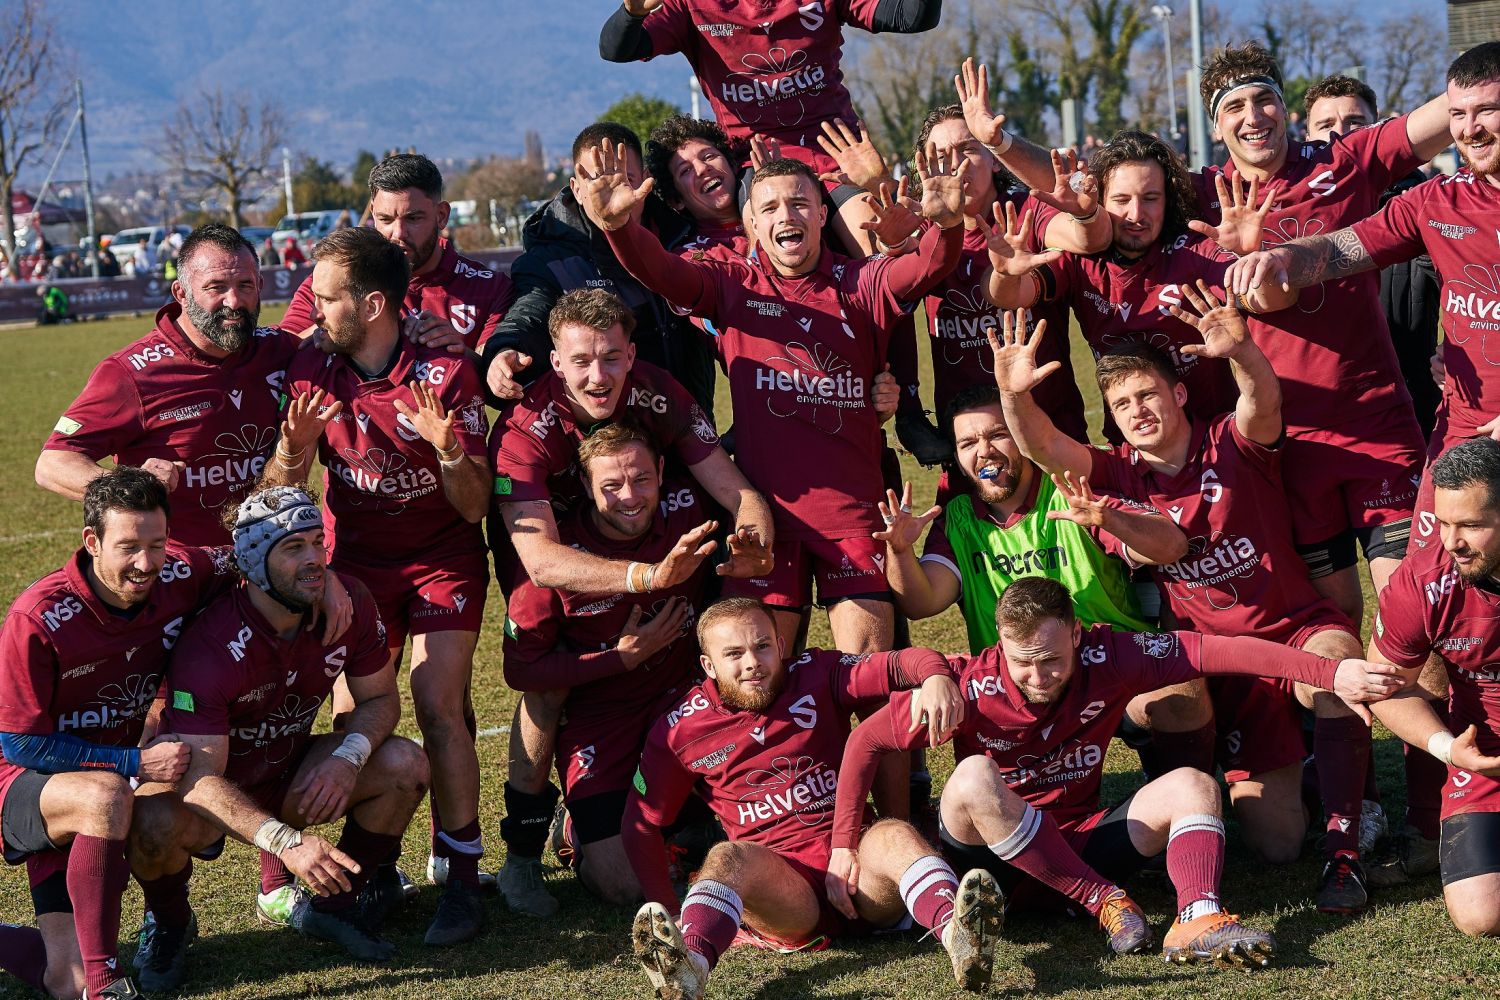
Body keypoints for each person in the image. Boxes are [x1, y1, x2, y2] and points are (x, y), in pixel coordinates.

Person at [996, 286, 1378, 913]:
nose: (1136, 410)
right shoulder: (1114, 477)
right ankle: (1198, 810)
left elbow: (1263, 401)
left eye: (1146, 394)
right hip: (1211, 657)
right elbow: (1055, 455)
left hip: (1292, 628)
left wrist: (1244, 353)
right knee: (1271, 836)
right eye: (1121, 403)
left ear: (1178, 393)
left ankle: (1345, 850)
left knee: (1336, 661)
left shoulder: (1231, 439)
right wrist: (1014, 397)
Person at [1226, 41, 1500, 880]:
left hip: (1438, 445)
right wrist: (1282, 259)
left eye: (1488, 112)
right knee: (1423, 625)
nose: (1471, 129)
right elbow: (1345, 248)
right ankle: (1434, 817)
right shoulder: (1438, 202)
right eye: (1460, 114)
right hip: (1456, 461)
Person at [834, 577, 1405, 964]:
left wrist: (1329, 673)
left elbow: (1221, 650)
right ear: (1001, 643)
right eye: (1023, 662)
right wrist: (843, 845)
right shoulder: (966, 683)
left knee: (1193, 785)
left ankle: (1197, 917)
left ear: (1076, 634)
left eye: (1052, 659)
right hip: (991, 869)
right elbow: (865, 740)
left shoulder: (1109, 656)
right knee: (973, 776)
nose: (1038, 677)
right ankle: (1099, 899)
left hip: (1080, 839)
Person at [582, 141, 966, 662]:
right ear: (753, 226)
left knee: (870, 676)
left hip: (854, 519)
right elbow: (663, 272)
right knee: (763, 679)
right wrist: (619, 228)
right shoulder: (731, 285)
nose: (787, 215)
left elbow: (925, 266)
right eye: (770, 207)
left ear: (822, 214)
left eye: (800, 203)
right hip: (764, 525)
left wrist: (948, 224)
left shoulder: (862, 281)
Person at [488, 288, 771, 915]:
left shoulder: (660, 394)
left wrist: (756, 543)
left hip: (652, 548)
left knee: (744, 634)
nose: (598, 376)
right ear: (555, 362)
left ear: (632, 355)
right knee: (547, 686)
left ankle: (739, 790)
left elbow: (738, 494)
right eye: (581, 361)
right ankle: (524, 856)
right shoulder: (526, 430)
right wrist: (648, 582)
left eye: (611, 358)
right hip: (554, 555)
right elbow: (541, 561)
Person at [261, 225, 493, 945]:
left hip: (443, 560)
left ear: (369, 305)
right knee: (357, 715)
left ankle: (462, 879)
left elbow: (475, 507)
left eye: (325, 298)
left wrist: (448, 451)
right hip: (356, 566)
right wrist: (292, 450)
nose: (311, 310)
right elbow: (277, 497)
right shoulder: (312, 369)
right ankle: (369, 868)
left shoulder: (444, 373)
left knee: (438, 705)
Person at [1189, 42, 1452, 631]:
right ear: (1215, 125)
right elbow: (1104, 205)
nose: (1253, 117)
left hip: (1377, 423)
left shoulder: (1343, 161)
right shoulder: (1202, 195)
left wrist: (1480, 84)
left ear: (1285, 107)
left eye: (1264, 100)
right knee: (1334, 617)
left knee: (1413, 608)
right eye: (1234, 107)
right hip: (1285, 443)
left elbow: (1452, 109)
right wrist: (1001, 145)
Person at [621, 597, 1003, 997]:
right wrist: (672, 910)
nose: (752, 663)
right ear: (708, 665)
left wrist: (936, 676)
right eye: (734, 654)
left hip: (859, 870)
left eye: (762, 646)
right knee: (727, 857)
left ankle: (959, 935)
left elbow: (901, 663)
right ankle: (690, 965)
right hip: (786, 891)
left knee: (894, 833)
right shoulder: (679, 730)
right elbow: (641, 824)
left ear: (780, 645)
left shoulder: (817, 671)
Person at [127, 487, 432, 988]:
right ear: (254, 564)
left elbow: (379, 699)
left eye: (317, 543)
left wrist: (348, 757)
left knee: (404, 763)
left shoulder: (348, 600)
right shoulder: (213, 645)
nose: (314, 559)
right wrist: (284, 842)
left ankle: (336, 905)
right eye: (293, 548)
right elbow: (200, 779)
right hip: (215, 791)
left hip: (289, 772)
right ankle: (169, 922)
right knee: (151, 818)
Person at [0, 469, 234, 999]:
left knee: (65, 978)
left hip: (101, 785)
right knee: (106, 795)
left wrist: (332, 588)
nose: (146, 564)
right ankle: (105, 987)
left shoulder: (179, 573)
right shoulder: (39, 617)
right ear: (92, 541)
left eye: (157, 544)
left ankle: (135, 945)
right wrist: (133, 763)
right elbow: (21, 745)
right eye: (129, 547)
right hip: (26, 782)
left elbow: (254, 553)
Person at [982, 129, 1296, 442]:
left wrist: (1252, 259)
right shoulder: (1080, 259)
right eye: (1121, 200)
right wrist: (1006, 273)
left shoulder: (1195, 251)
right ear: (1099, 200)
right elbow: (1011, 296)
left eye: (1150, 199)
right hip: (1132, 448)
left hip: (1212, 444)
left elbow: (1271, 300)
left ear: (1168, 200)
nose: (1135, 214)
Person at [599, 0, 943, 256]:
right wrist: (633, 13)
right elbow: (616, 48)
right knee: (770, 258)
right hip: (758, 163)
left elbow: (912, 15)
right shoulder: (692, 6)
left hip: (836, 155)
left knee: (876, 255)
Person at [37, 224, 304, 546]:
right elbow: (54, 463)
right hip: (178, 567)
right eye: (216, 287)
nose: (234, 301)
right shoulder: (130, 373)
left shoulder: (280, 350)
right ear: (181, 293)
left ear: (260, 285)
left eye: (245, 285)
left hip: (266, 559)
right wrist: (133, 486)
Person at [877, 380, 1186, 653]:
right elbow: (921, 604)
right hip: (1024, 682)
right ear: (957, 459)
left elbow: (1172, 546)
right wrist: (900, 551)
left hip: (1108, 667)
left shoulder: (1068, 491)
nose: (984, 451)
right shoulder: (957, 520)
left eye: (998, 435)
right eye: (968, 443)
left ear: (1022, 439)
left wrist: (1110, 520)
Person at [481, 122, 717, 410]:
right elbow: (529, 310)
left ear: (646, 180)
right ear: (577, 189)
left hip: (688, 424)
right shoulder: (548, 260)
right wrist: (506, 347)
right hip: (610, 433)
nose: (611, 192)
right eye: (596, 182)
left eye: (626, 179)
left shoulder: (682, 236)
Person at [1367, 438, 1500, 937]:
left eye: (1471, 525)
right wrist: (1449, 749)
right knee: (1480, 915)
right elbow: (1387, 687)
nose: (1452, 541)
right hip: (1485, 756)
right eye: (1443, 523)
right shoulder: (1422, 583)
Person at [1302, 74, 1443, 439]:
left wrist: (1458, 350)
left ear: (1379, 129)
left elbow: (1475, 283)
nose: (1340, 134)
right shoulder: (1291, 216)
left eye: (1355, 122)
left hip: (1412, 405)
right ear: (1306, 137)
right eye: (1326, 125)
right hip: (1318, 413)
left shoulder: (1424, 204)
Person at [280, 153, 515, 354]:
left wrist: (458, 353)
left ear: (442, 215)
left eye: (413, 218)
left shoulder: (490, 290)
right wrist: (337, 330)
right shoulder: (332, 282)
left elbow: (500, 380)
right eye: (385, 219)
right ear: (373, 215)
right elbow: (280, 354)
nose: (398, 233)